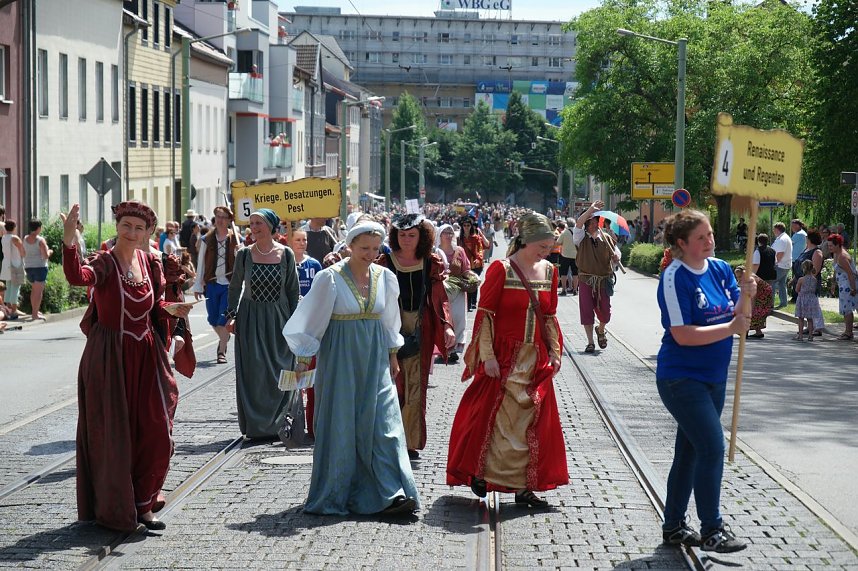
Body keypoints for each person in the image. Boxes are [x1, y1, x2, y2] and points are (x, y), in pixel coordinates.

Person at [60, 201, 190, 532]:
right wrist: (69, 240)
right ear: (117, 226)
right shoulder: (104, 262)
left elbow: (153, 307)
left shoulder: (150, 262)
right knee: (115, 436)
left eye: (139, 227)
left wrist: (170, 309)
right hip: (109, 358)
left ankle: (145, 504)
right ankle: (119, 510)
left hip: (146, 357)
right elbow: (78, 277)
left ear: (149, 232)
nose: (132, 232)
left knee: (156, 430)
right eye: (126, 225)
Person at [282, 221, 420, 516]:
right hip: (340, 358)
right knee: (342, 424)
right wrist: (304, 358)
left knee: (385, 424)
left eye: (375, 248)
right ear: (350, 246)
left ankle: (392, 491)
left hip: (374, 358)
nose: (370, 254)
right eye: (364, 249)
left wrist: (393, 353)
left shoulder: (385, 277)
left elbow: (389, 319)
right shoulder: (329, 278)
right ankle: (338, 490)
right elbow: (312, 319)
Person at [447, 212, 568, 508]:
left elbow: (550, 317)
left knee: (531, 423)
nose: (545, 250)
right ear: (526, 240)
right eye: (542, 245)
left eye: (548, 245)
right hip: (503, 357)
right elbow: (486, 315)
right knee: (493, 418)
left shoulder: (550, 272)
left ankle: (524, 487)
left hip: (535, 358)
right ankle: (480, 472)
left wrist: (554, 352)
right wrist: (486, 355)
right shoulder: (502, 269)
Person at [656, 209, 753, 554]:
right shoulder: (674, 277)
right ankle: (712, 528)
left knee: (689, 452)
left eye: (710, 234)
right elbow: (682, 334)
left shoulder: (721, 269)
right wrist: (729, 329)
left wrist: (747, 293)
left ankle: (674, 526)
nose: (710, 241)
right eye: (701, 237)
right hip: (681, 379)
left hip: (715, 378)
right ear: (682, 243)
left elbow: (739, 316)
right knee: (712, 447)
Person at [376, 213, 454, 459]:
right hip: (389, 328)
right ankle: (391, 438)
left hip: (422, 327)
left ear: (421, 237)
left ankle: (410, 442)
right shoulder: (385, 262)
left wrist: (448, 326)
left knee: (416, 388)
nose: (407, 240)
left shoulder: (430, 262)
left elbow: (440, 299)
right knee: (393, 386)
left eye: (412, 235)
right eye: (402, 235)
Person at [224, 208, 300, 439]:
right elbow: (235, 286)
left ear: (271, 226)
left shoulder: (286, 254)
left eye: (259, 223)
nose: (254, 228)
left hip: (279, 319)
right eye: (252, 223)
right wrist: (231, 315)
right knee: (254, 373)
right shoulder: (244, 254)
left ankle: (279, 423)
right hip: (251, 319)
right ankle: (257, 426)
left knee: (281, 369)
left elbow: (293, 291)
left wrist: (296, 323)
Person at [192, 206, 239, 364]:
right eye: (218, 216)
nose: (220, 220)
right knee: (212, 319)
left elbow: (243, 263)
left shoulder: (236, 239)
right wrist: (198, 286)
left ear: (229, 220)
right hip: (211, 283)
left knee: (223, 320)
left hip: (229, 285)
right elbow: (201, 264)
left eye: (223, 217)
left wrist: (241, 252)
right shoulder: (207, 239)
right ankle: (225, 339)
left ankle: (221, 351)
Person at [573, 201, 621, 353]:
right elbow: (579, 223)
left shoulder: (607, 238)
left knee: (605, 313)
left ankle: (600, 329)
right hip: (586, 279)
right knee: (586, 311)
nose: (594, 225)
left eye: (595, 222)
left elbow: (617, 253)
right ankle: (590, 342)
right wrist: (590, 210)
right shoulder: (580, 238)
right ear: (586, 226)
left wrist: (616, 257)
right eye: (591, 223)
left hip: (603, 280)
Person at [290, 227, 323, 439]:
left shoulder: (314, 265)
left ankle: (312, 422)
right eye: (298, 240)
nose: (302, 243)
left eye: (304, 240)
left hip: (310, 324)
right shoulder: (286, 262)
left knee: (309, 373)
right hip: (291, 323)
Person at [437, 223, 471, 363]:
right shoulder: (435, 251)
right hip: (440, 291)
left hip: (458, 290)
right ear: (440, 235)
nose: (449, 235)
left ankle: (454, 349)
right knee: (443, 320)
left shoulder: (459, 250)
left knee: (457, 319)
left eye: (451, 232)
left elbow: (466, 267)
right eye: (445, 232)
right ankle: (442, 349)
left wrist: (471, 278)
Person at [827, 233, 857, 340]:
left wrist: (853, 288)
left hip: (848, 285)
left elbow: (851, 273)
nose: (829, 248)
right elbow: (837, 270)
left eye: (831, 246)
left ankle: (848, 332)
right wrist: (834, 283)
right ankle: (848, 331)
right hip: (843, 284)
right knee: (845, 309)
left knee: (847, 309)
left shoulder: (842, 257)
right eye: (828, 245)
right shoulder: (836, 254)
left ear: (838, 245)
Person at [459, 215, 490, 311]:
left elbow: (480, 250)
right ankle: (468, 303)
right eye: (465, 225)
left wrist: (478, 258)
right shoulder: (459, 239)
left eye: (468, 225)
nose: (466, 227)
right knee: (467, 283)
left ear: (471, 226)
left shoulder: (476, 238)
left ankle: (473, 302)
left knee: (473, 282)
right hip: (464, 265)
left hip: (475, 264)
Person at [23, 219, 52, 320]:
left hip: (28, 267)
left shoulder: (25, 238)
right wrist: (50, 251)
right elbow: (45, 256)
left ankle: (34, 310)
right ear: (39, 228)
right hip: (39, 267)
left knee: (34, 290)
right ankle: (35, 314)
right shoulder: (40, 240)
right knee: (38, 292)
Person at [734, 266, 773, 339]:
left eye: (739, 276)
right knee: (754, 312)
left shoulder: (750, 279)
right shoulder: (746, 277)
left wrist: (751, 307)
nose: (738, 278)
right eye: (737, 277)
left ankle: (745, 332)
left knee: (754, 312)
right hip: (762, 291)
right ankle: (758, 332)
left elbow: (753, 296)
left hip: (764, 293)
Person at [0, 220, 26, 319]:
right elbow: (22, 251)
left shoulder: (4, 238)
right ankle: (14, 310)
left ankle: (9, 308)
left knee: (9, 286)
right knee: (15, 287)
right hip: (15, 264)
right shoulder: (15, 238)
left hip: (6, 263)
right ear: (14, 227)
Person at [794, 260, 823, 341]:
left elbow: (797, 289)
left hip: (802, 299)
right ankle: (810, 336)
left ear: (804, 268)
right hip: (811, 300)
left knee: (801, 318)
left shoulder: (801, 279)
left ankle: (800, 335)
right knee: (810, 319)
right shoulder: (814, 279)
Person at [771, 222, 792, 309]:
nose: (773, 231)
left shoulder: (782, 239)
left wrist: (774, 264)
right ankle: (783, 303)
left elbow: (780, 254)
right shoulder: (783, 237)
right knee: (782, 284)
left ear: (777, 230)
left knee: (772, 282)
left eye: (774, 229)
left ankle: (770, 304)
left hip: (780, 265)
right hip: (785, 264)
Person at [556, 218, 578, 296]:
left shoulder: (564, 232)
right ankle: (575, 290)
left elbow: (558, 243)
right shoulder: (577, 232)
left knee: (564, 273)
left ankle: (564, 289)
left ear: (567, 224)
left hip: (565, 255)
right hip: (576, 256)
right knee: (575, 273)